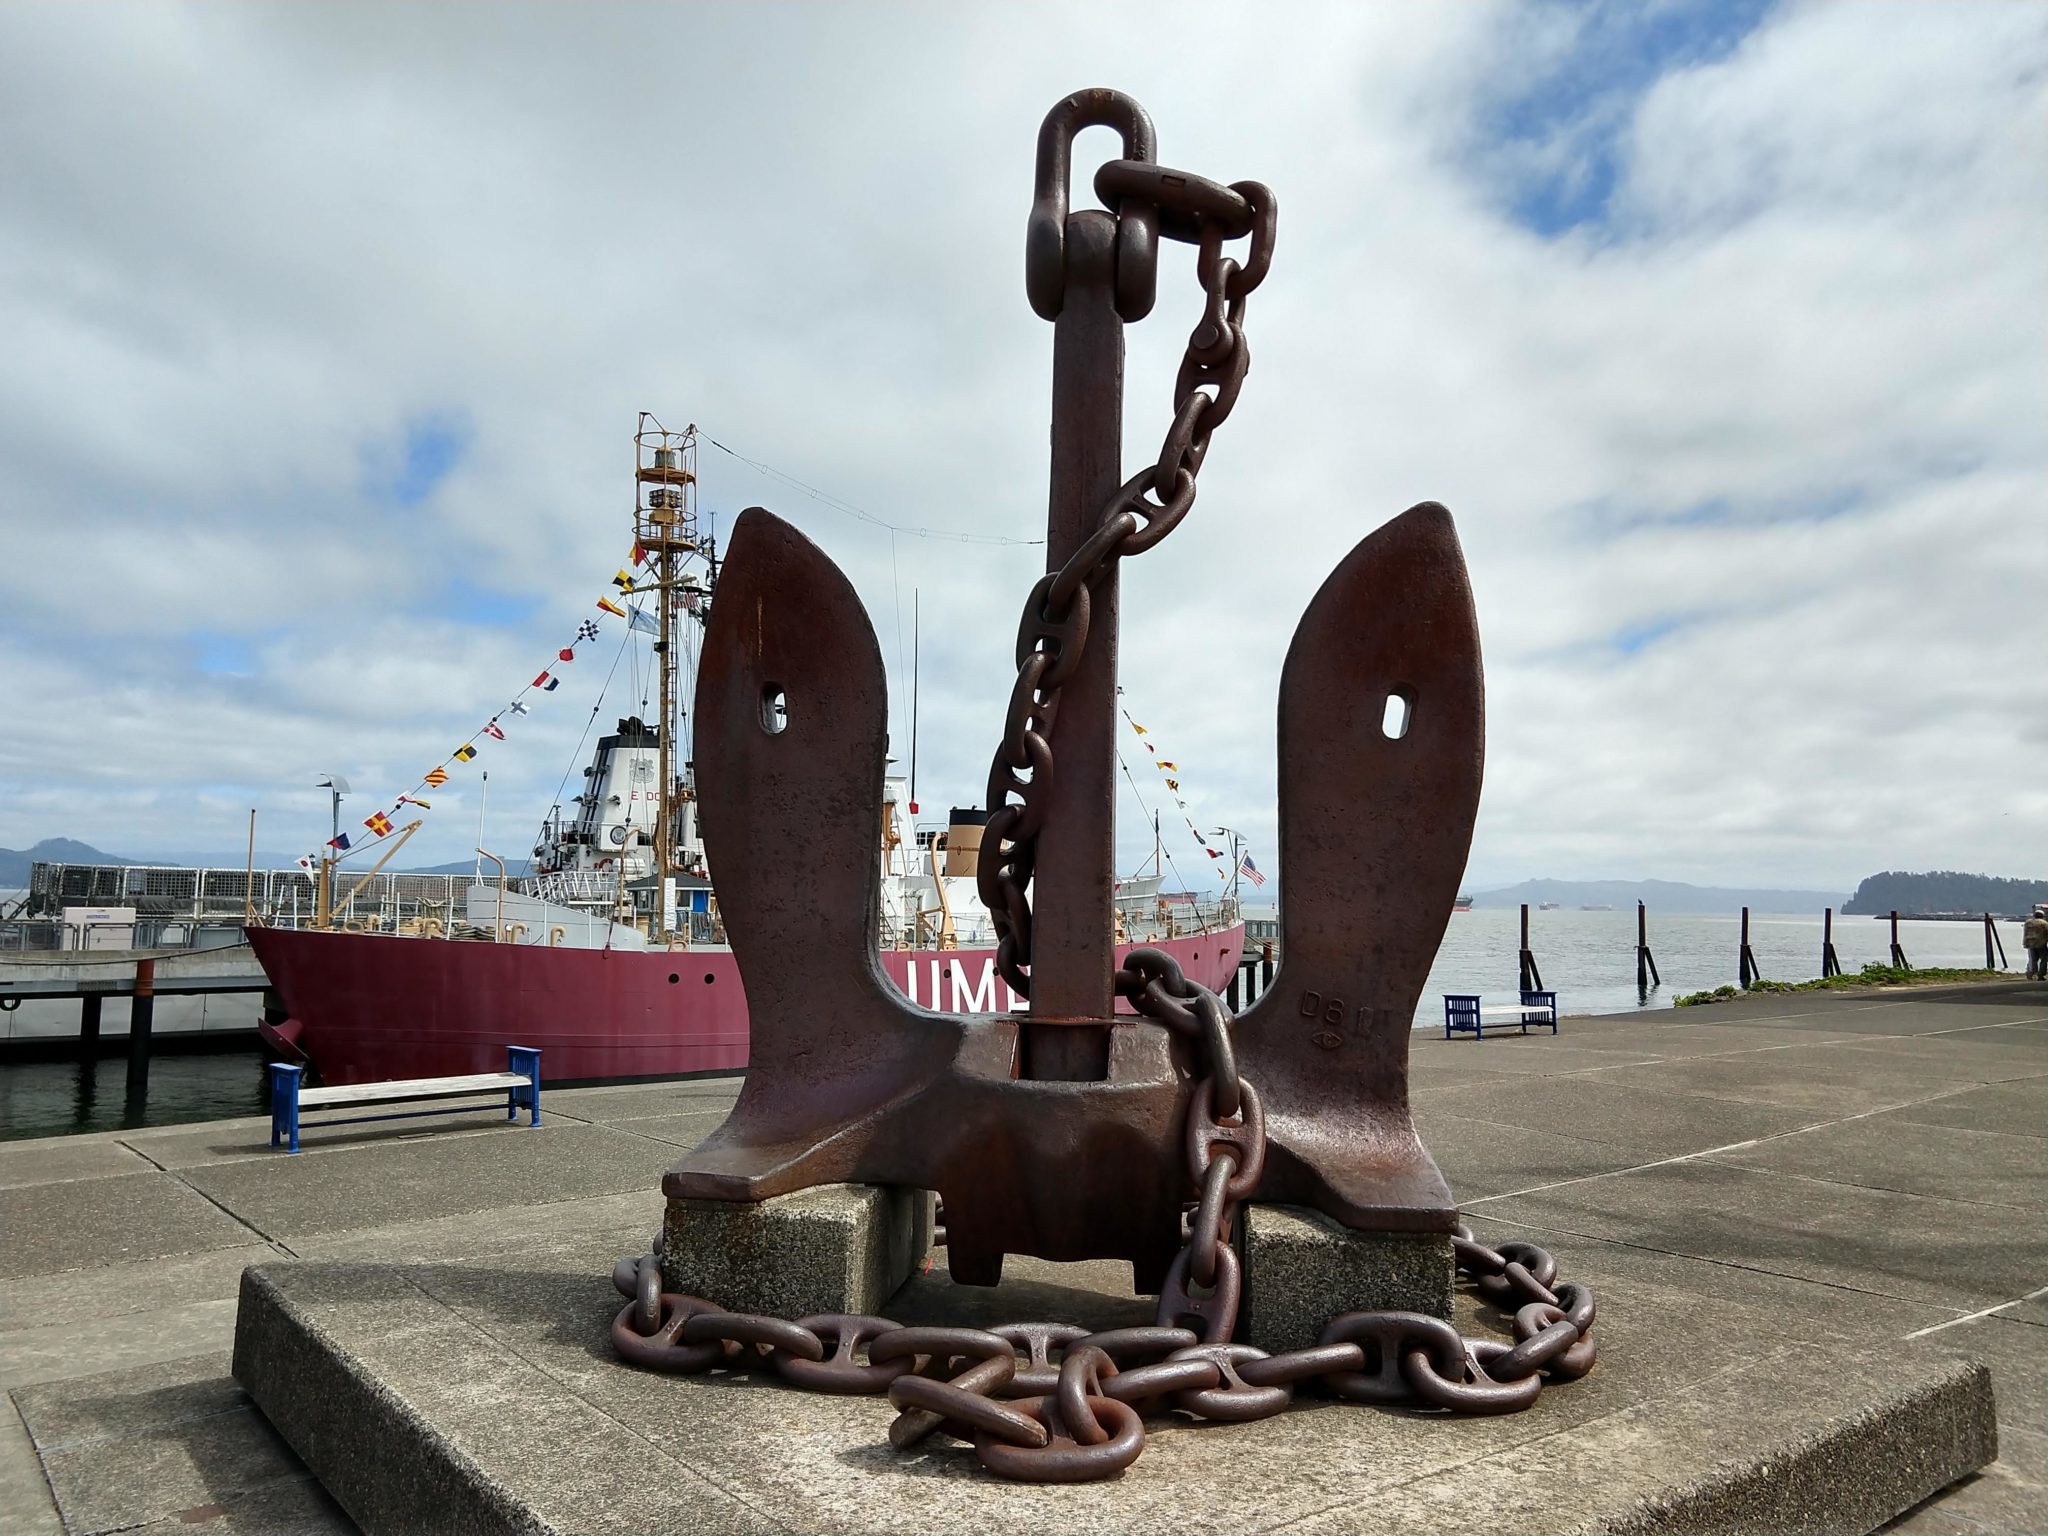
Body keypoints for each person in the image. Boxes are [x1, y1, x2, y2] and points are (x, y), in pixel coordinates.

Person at [2026, 907, 2048, 980]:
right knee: (2044, 959)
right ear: (2042, 916)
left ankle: (2031, 973)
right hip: (2041, 943)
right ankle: (2041, 974)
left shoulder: (2028, 922)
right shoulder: (2044, 923)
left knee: (2033, 959)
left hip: (2030, 943)